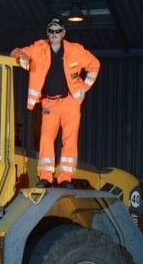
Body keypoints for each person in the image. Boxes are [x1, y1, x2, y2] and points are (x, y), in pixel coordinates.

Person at [11, 17, 101, 188]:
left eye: (57, 31)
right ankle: (45, 177)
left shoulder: (76, 50)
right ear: (47, 33)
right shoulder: (38, 48)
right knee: (46, 138)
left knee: (70, 139)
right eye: (51, 31)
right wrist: (22, 56)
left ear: (63, 33)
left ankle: (65, 178)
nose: (54, 34)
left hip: (70, 102)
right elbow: (15, 51)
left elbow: (94, 65)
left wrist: (84, 87)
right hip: (49, 104)